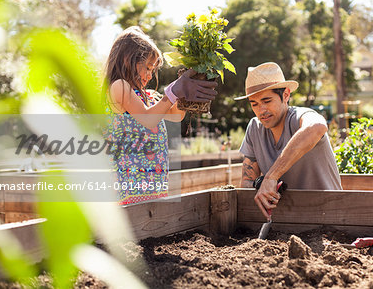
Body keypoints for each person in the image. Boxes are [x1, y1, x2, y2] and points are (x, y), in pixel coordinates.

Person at [103, 26, 218, 205]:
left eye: (153, 70)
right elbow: (149, 119)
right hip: (129, 187)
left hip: (154, 185)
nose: (150, 75)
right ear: (127, 59)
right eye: (147, 68)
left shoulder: (149, 96)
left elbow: (175, 116)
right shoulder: (119, 87)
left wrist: (183, 94)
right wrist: (173, 91)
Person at [235, 62, 342, 219]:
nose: (261, 110)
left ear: (285, 95)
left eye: (267, 101)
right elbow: (246, 183)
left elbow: (318, 126)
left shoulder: (300, 117)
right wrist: (259, 184)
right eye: (254, 104)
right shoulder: (254, 128)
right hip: (287, 222)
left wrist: (271, 176)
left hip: (330, 216)